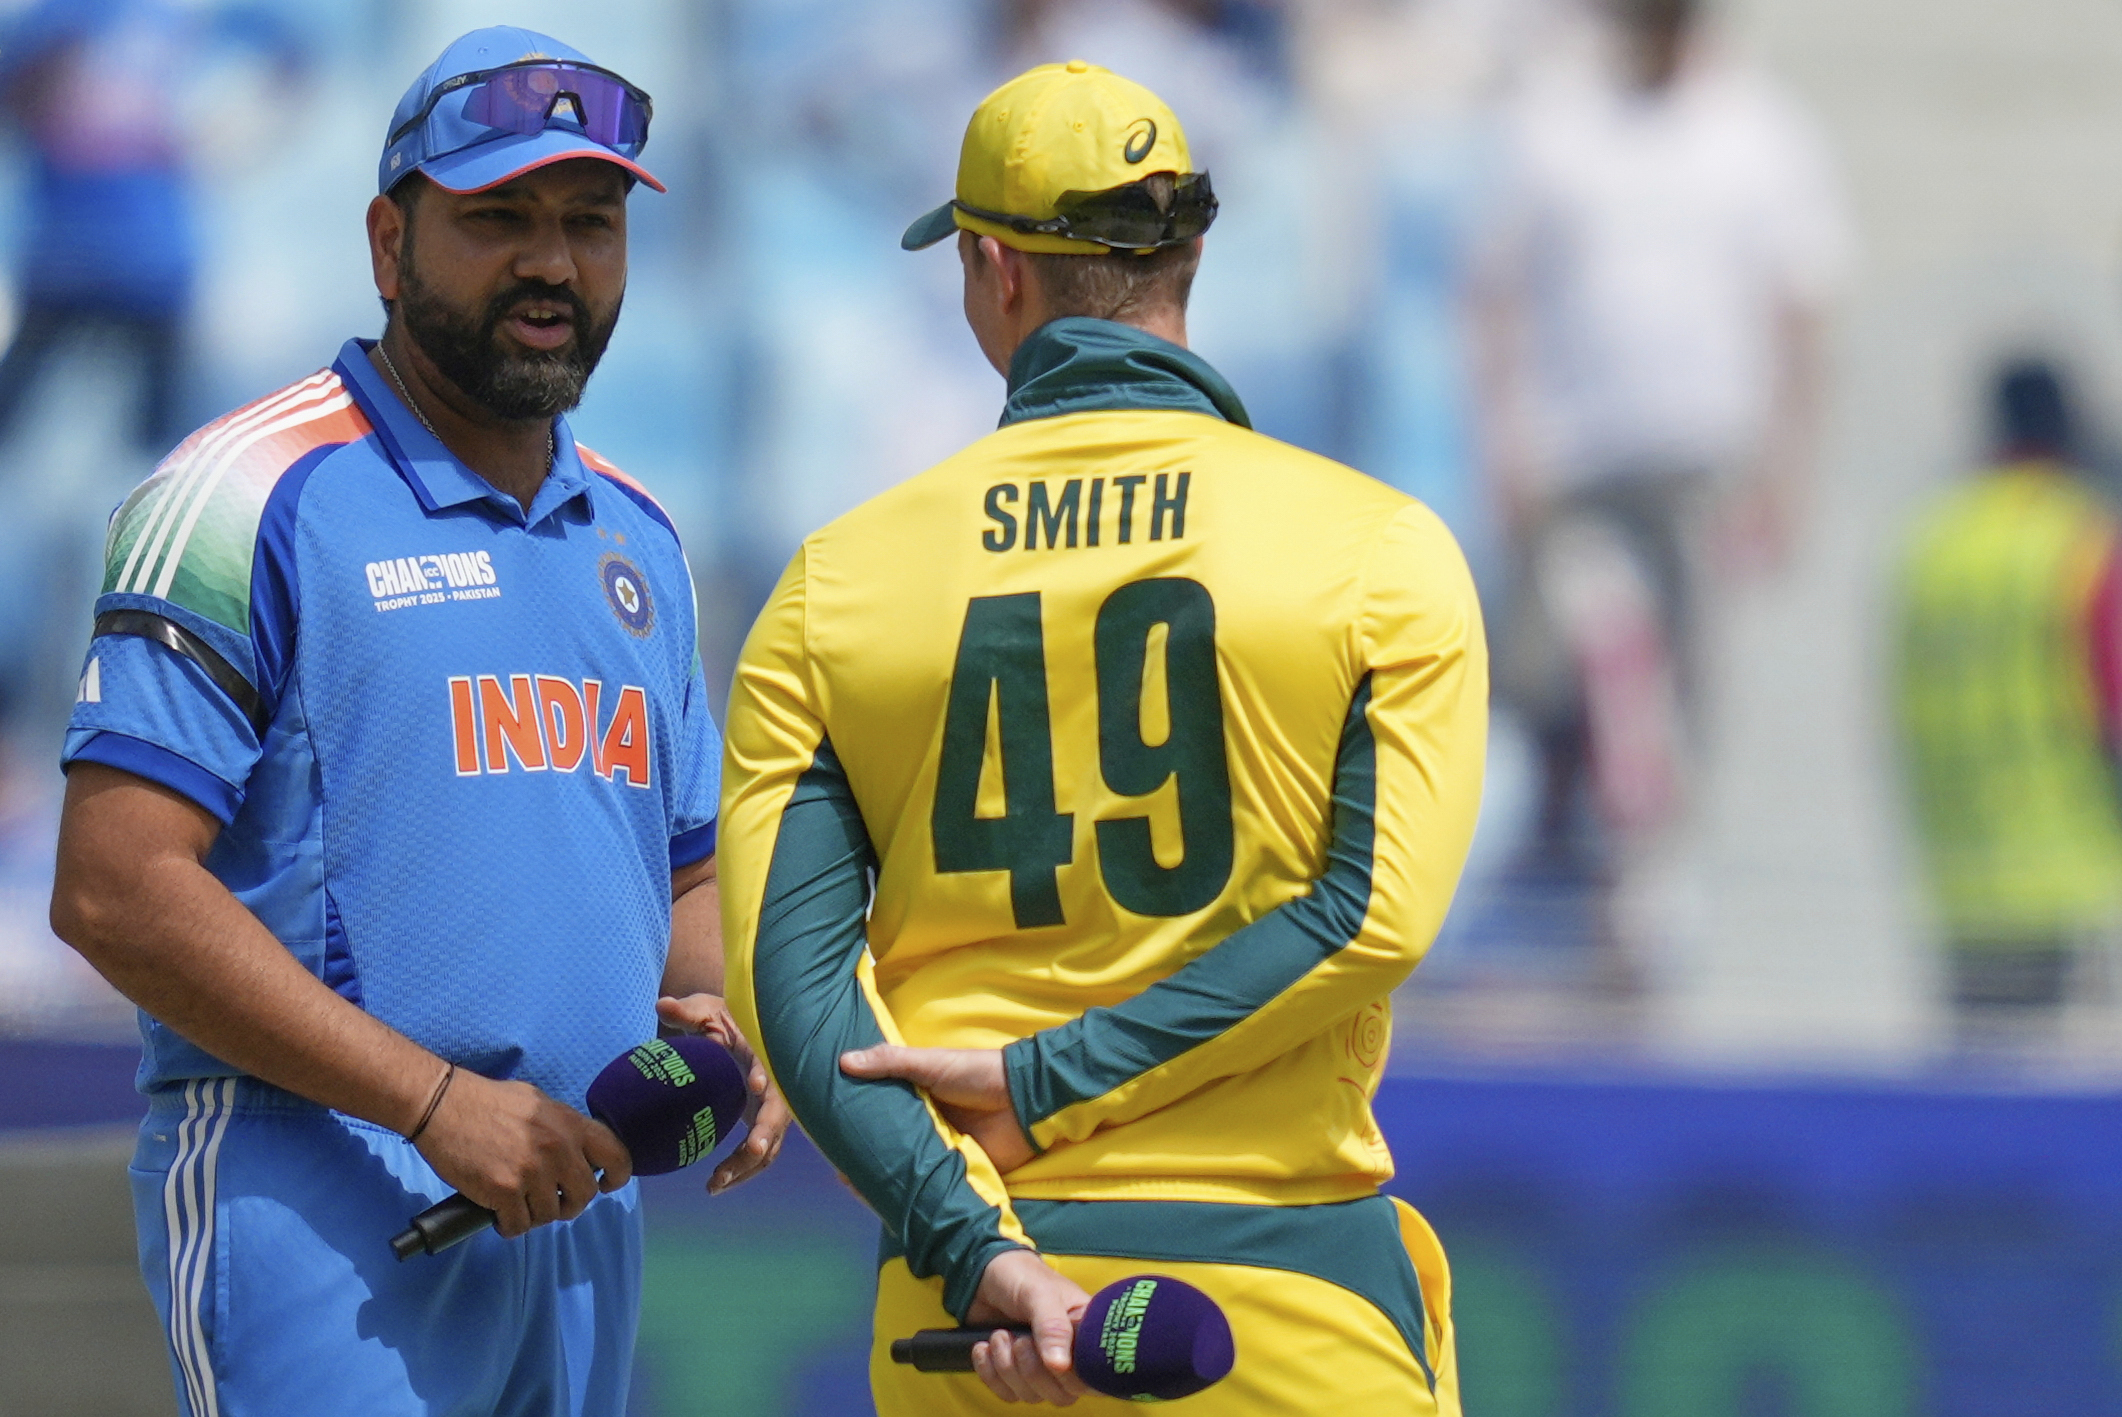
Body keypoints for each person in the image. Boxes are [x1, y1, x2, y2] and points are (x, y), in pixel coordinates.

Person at [721, 61, 1486, 1412]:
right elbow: (1374, 918)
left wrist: (981, 1252)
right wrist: (1047, 1080)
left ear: (991, 269)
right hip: (1275, 1304)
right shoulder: (1379, 552)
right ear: (1190, 249)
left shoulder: (835, 584)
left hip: (976, 1313)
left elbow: (798, 1005)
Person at [47, 27, 787, 1417]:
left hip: (576, 1200)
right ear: (389, 243)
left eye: (590, 220)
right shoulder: (246, 494)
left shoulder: (640, 531)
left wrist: (713, 1014)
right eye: (496, 217)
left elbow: (682, 873)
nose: (552, 263)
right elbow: (111, 891)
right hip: (321, 1184)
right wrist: (436, 1106)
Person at [1472, 0, 1849, 991]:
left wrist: (1785, 470)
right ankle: (1566, 873)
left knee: (1670, 701)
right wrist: (1502, 442)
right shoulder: (1554, 119)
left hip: (1695, 457)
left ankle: (1640, 902)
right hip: (1576, 461)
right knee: (1577, 670)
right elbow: (1496, 289)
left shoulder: (1759, 129)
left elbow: (1798, 307)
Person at [1895, 358, 2122, 1049]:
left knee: (1983, 1117)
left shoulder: (1936, 541)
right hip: (2072, 878)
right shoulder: (2080, 539)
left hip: (1957, 876)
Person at [0, 0, 305, 451]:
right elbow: (18, 98)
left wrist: (245, 130)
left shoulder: (191, 16)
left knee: (161, 449)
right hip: (63, 262)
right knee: (17, 428)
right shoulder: (55, 18)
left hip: (152, 267)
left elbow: (291, 60)